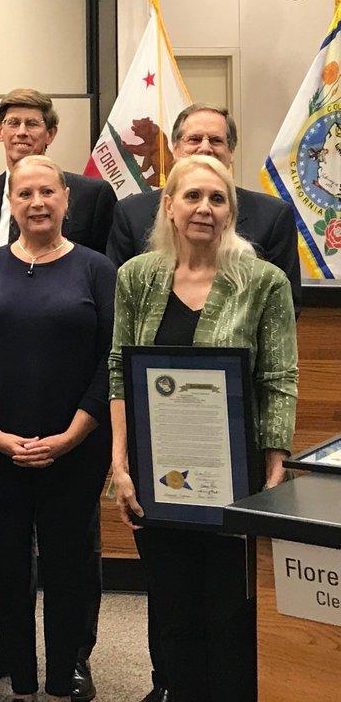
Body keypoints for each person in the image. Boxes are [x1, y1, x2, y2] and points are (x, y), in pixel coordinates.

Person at [105, 103, 301, 702]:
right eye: (191, 197)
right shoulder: (137, 276)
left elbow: (279, 376)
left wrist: (274, 467)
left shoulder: (261, 280)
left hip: (234, 480)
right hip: (157, 477)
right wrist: (119, 465)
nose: (204, 209)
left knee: (229, 611)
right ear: (168, 205)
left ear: (231, 212)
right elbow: (118, 371)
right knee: (171, 610)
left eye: (216, 200)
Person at [0, 90, 115, 700]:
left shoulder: (97, 270)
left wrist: (76, 431)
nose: (37, 200)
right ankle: (19, 671)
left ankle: (67, 666)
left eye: (48, 191)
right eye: (25, 193)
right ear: (11, 203)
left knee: (71, 564)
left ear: (67, 199)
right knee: (6, 565)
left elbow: (111, 361)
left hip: (75, 445)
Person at [107, 103, 301, 313]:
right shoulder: (131, 213)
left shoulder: (273, 215)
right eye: (194, 139)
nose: (205, 147)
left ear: (231, 151)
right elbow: (117, 299)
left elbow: (284, 308)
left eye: (216, 140)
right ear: (175, 148)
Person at [0, 88, 117, 253]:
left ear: (50, 134)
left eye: (31, 124)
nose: (22, 132)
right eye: (13, 123)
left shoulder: (92, 196)